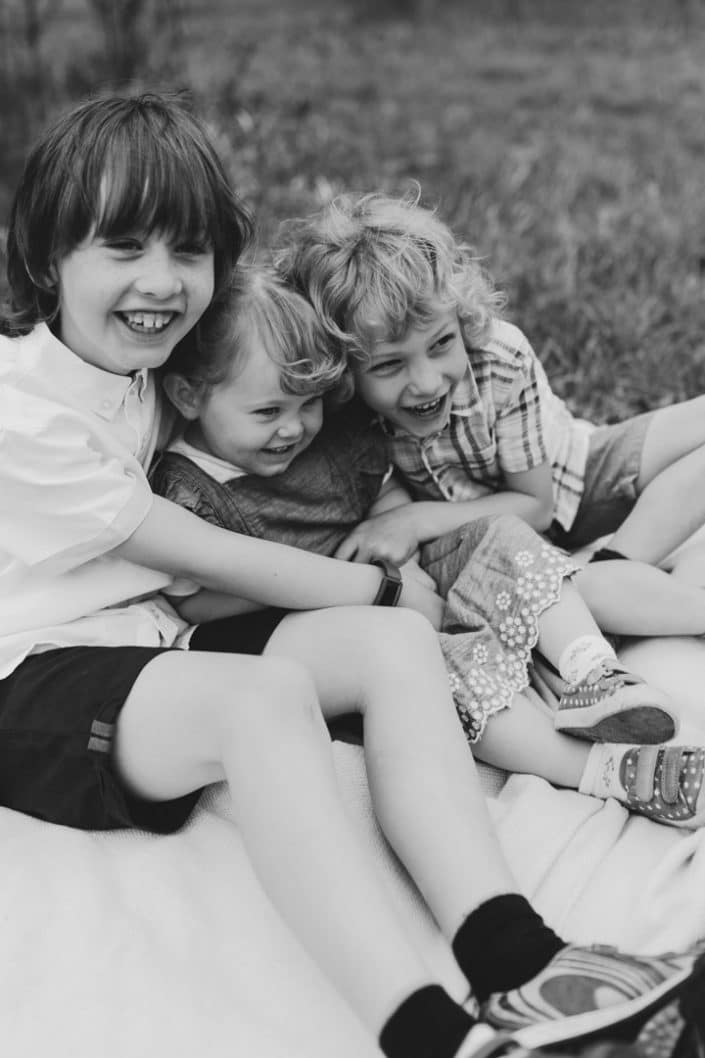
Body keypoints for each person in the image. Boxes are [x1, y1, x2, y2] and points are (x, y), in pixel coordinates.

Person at [4, 92, 698, 1058]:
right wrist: (375, 581)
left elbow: (274, 360)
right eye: (122, 249)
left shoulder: (153, 367)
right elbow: (203, 551)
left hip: (166, 645)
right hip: (35, 678)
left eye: (188, 251)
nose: (159, 282)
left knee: (392, 647)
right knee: (267, 699)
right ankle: (430, 1036)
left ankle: (517, 961)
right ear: (44, 259)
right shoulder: (21, 410)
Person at [154, 263, 705, 831]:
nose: (294, 429)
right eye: (269, 412)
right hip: (348, 620)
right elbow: (195, 602)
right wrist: (341, 584)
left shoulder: (332, 433)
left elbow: (382, 489)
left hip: (408, 572)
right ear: (189, 396)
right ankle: (610, 772)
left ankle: (594, 671)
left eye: (307, 404)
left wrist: (401, 541)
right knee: (450, 678)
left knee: (503, 539)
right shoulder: (187, 494)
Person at [276, 189, 705, 638]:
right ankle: (609, 589)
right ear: (345, 368)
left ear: (461, 317)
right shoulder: (343, 413)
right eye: (389, 365)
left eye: (442, 343)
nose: (426, 382)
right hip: (484, 542)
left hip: (573, 479)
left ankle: (618, 568)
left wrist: (412, 520)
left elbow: (537, 506)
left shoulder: (500, 357)